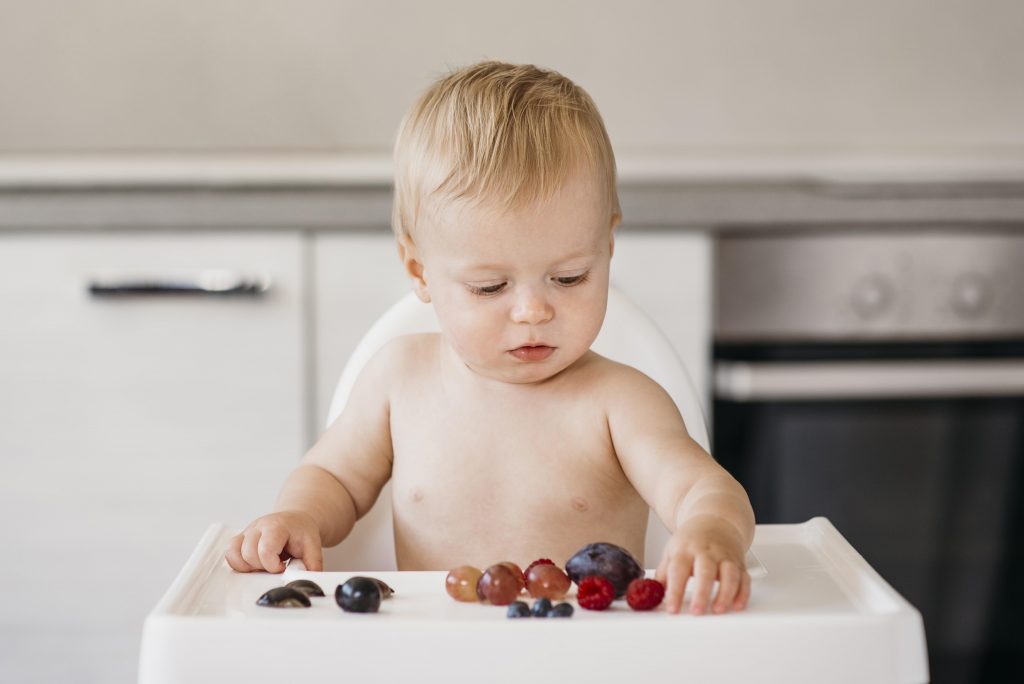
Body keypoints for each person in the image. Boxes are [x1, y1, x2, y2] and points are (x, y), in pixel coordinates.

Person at [225, 60, 755, 615]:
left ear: (609, 246)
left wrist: (712, 532)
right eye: (489, 286)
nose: (532, 311)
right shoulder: (397, 381)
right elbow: (332, 476)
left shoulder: (620, 403)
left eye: (570, 277)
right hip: (437, 654)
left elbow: (705, 490)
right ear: (419, 271)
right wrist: (297, 517)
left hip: (588, 658)